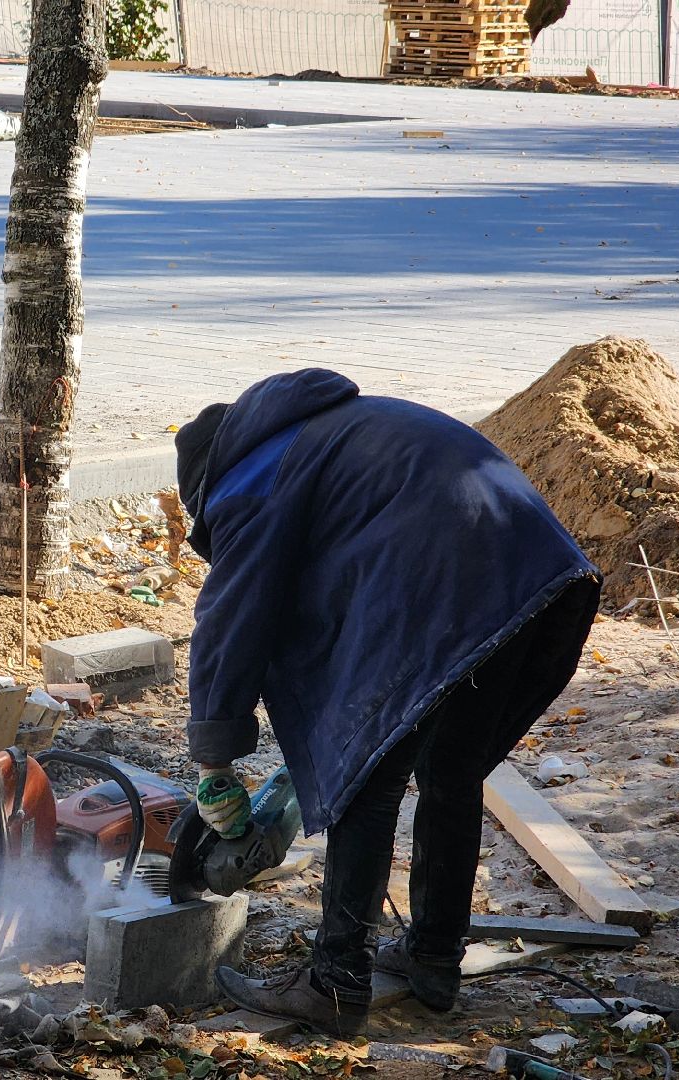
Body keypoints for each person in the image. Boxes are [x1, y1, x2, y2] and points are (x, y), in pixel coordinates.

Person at [173, 368, 600, 1036]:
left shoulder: (249, 478)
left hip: (445, 578)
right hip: (530, 569)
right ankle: (432, 960)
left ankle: (335, 983)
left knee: (362, 775)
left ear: (204, 484)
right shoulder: (327, 432)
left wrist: (213, 764)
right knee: (451, 773)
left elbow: (234, 619)